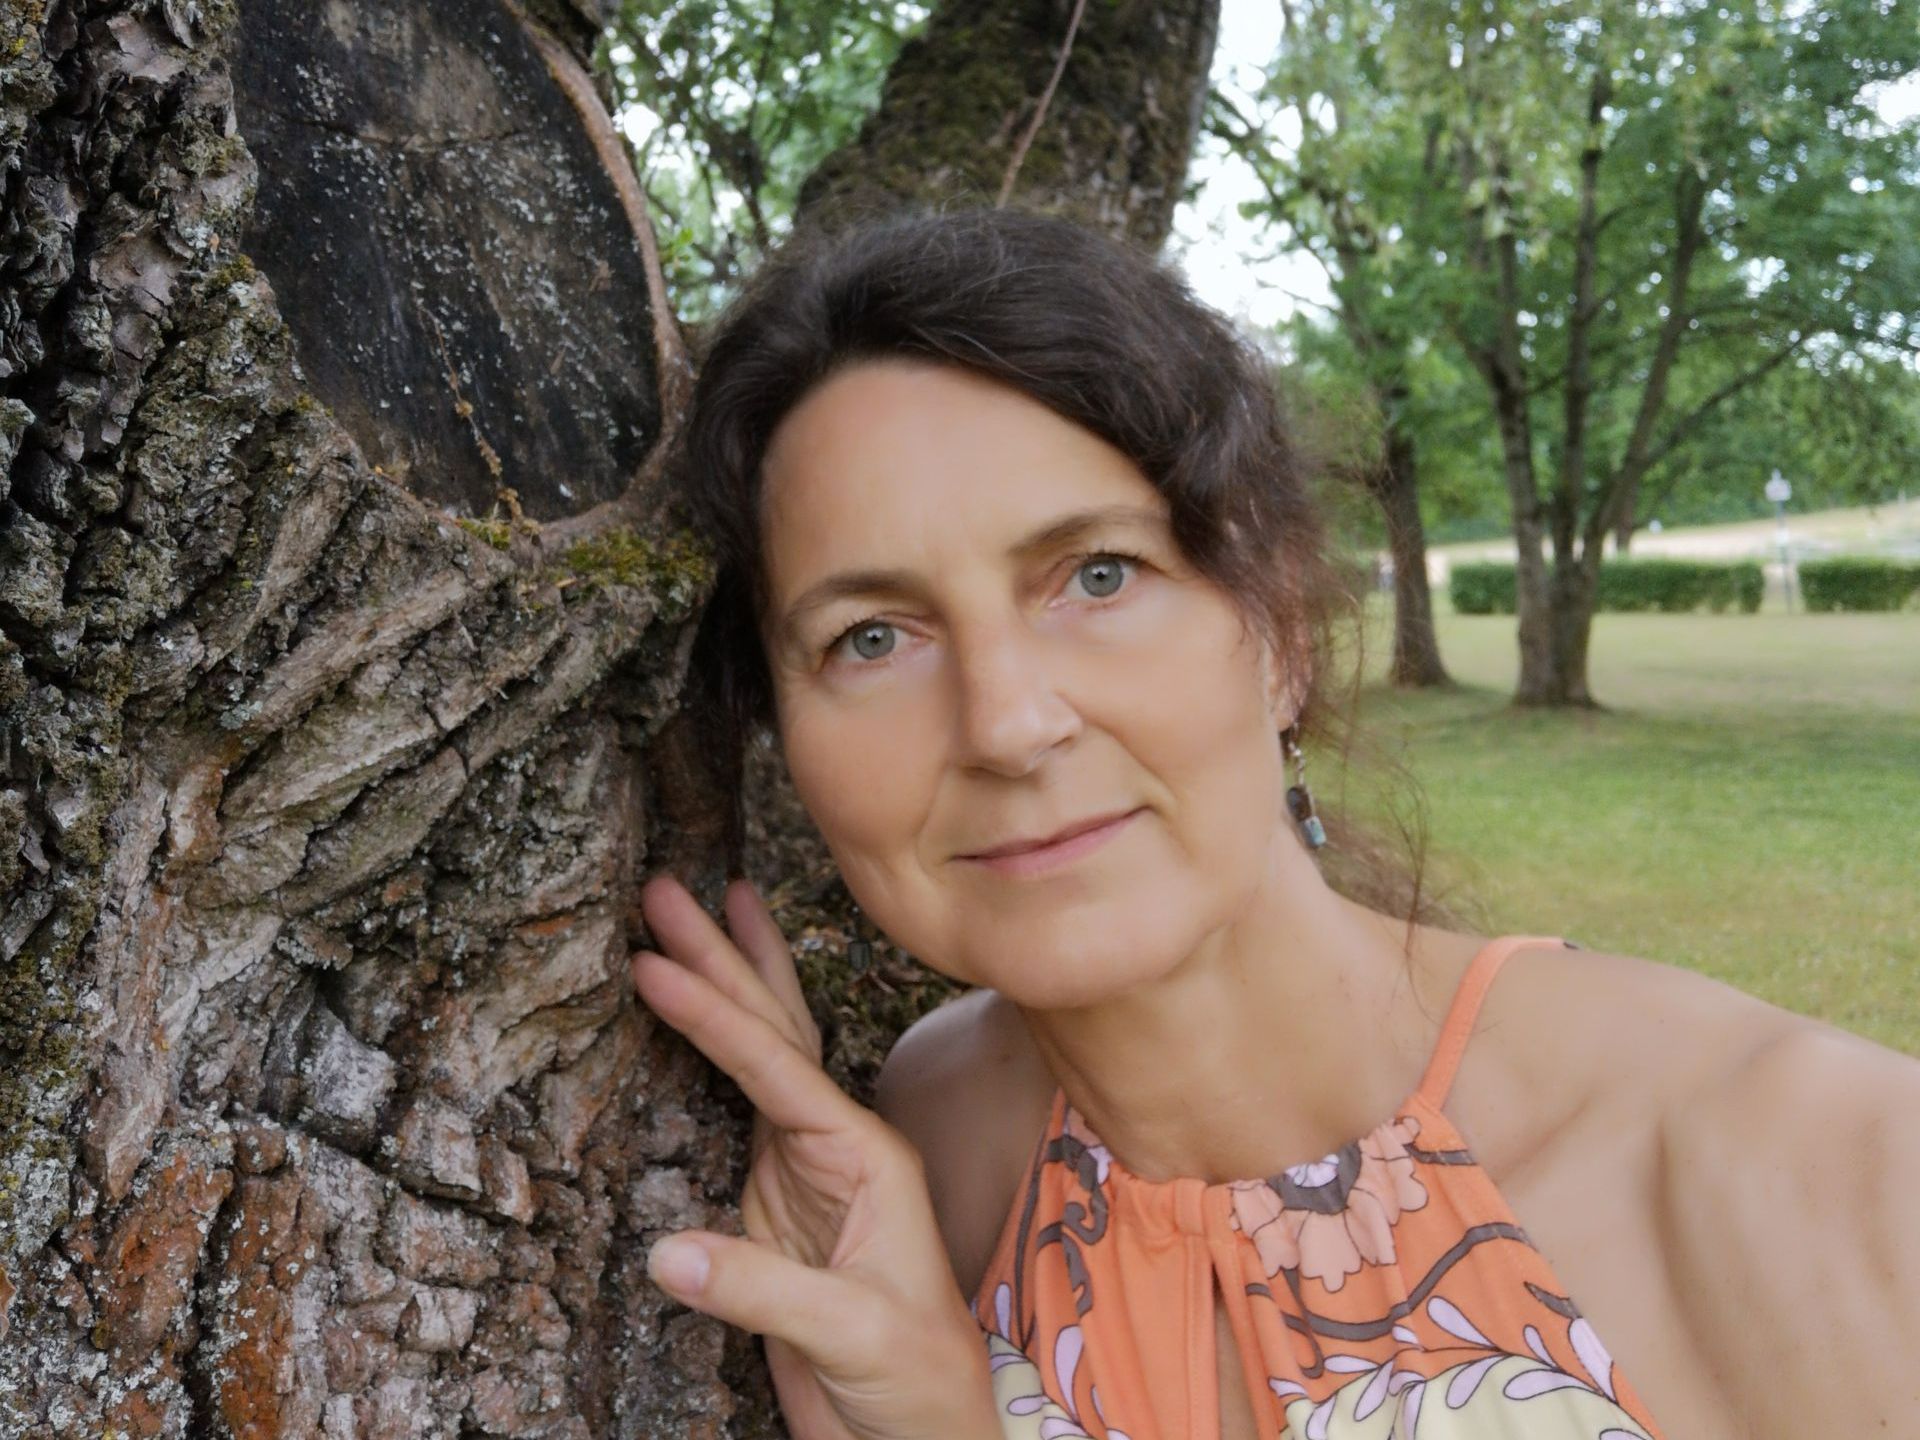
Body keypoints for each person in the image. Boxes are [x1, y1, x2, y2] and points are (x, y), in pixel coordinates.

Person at [629, 207, 1920, 1440]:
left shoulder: (1831, 1175)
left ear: (1283, 627)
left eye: (1098, 575)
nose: (1008, 724)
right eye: (870, 637)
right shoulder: (919, 1155)